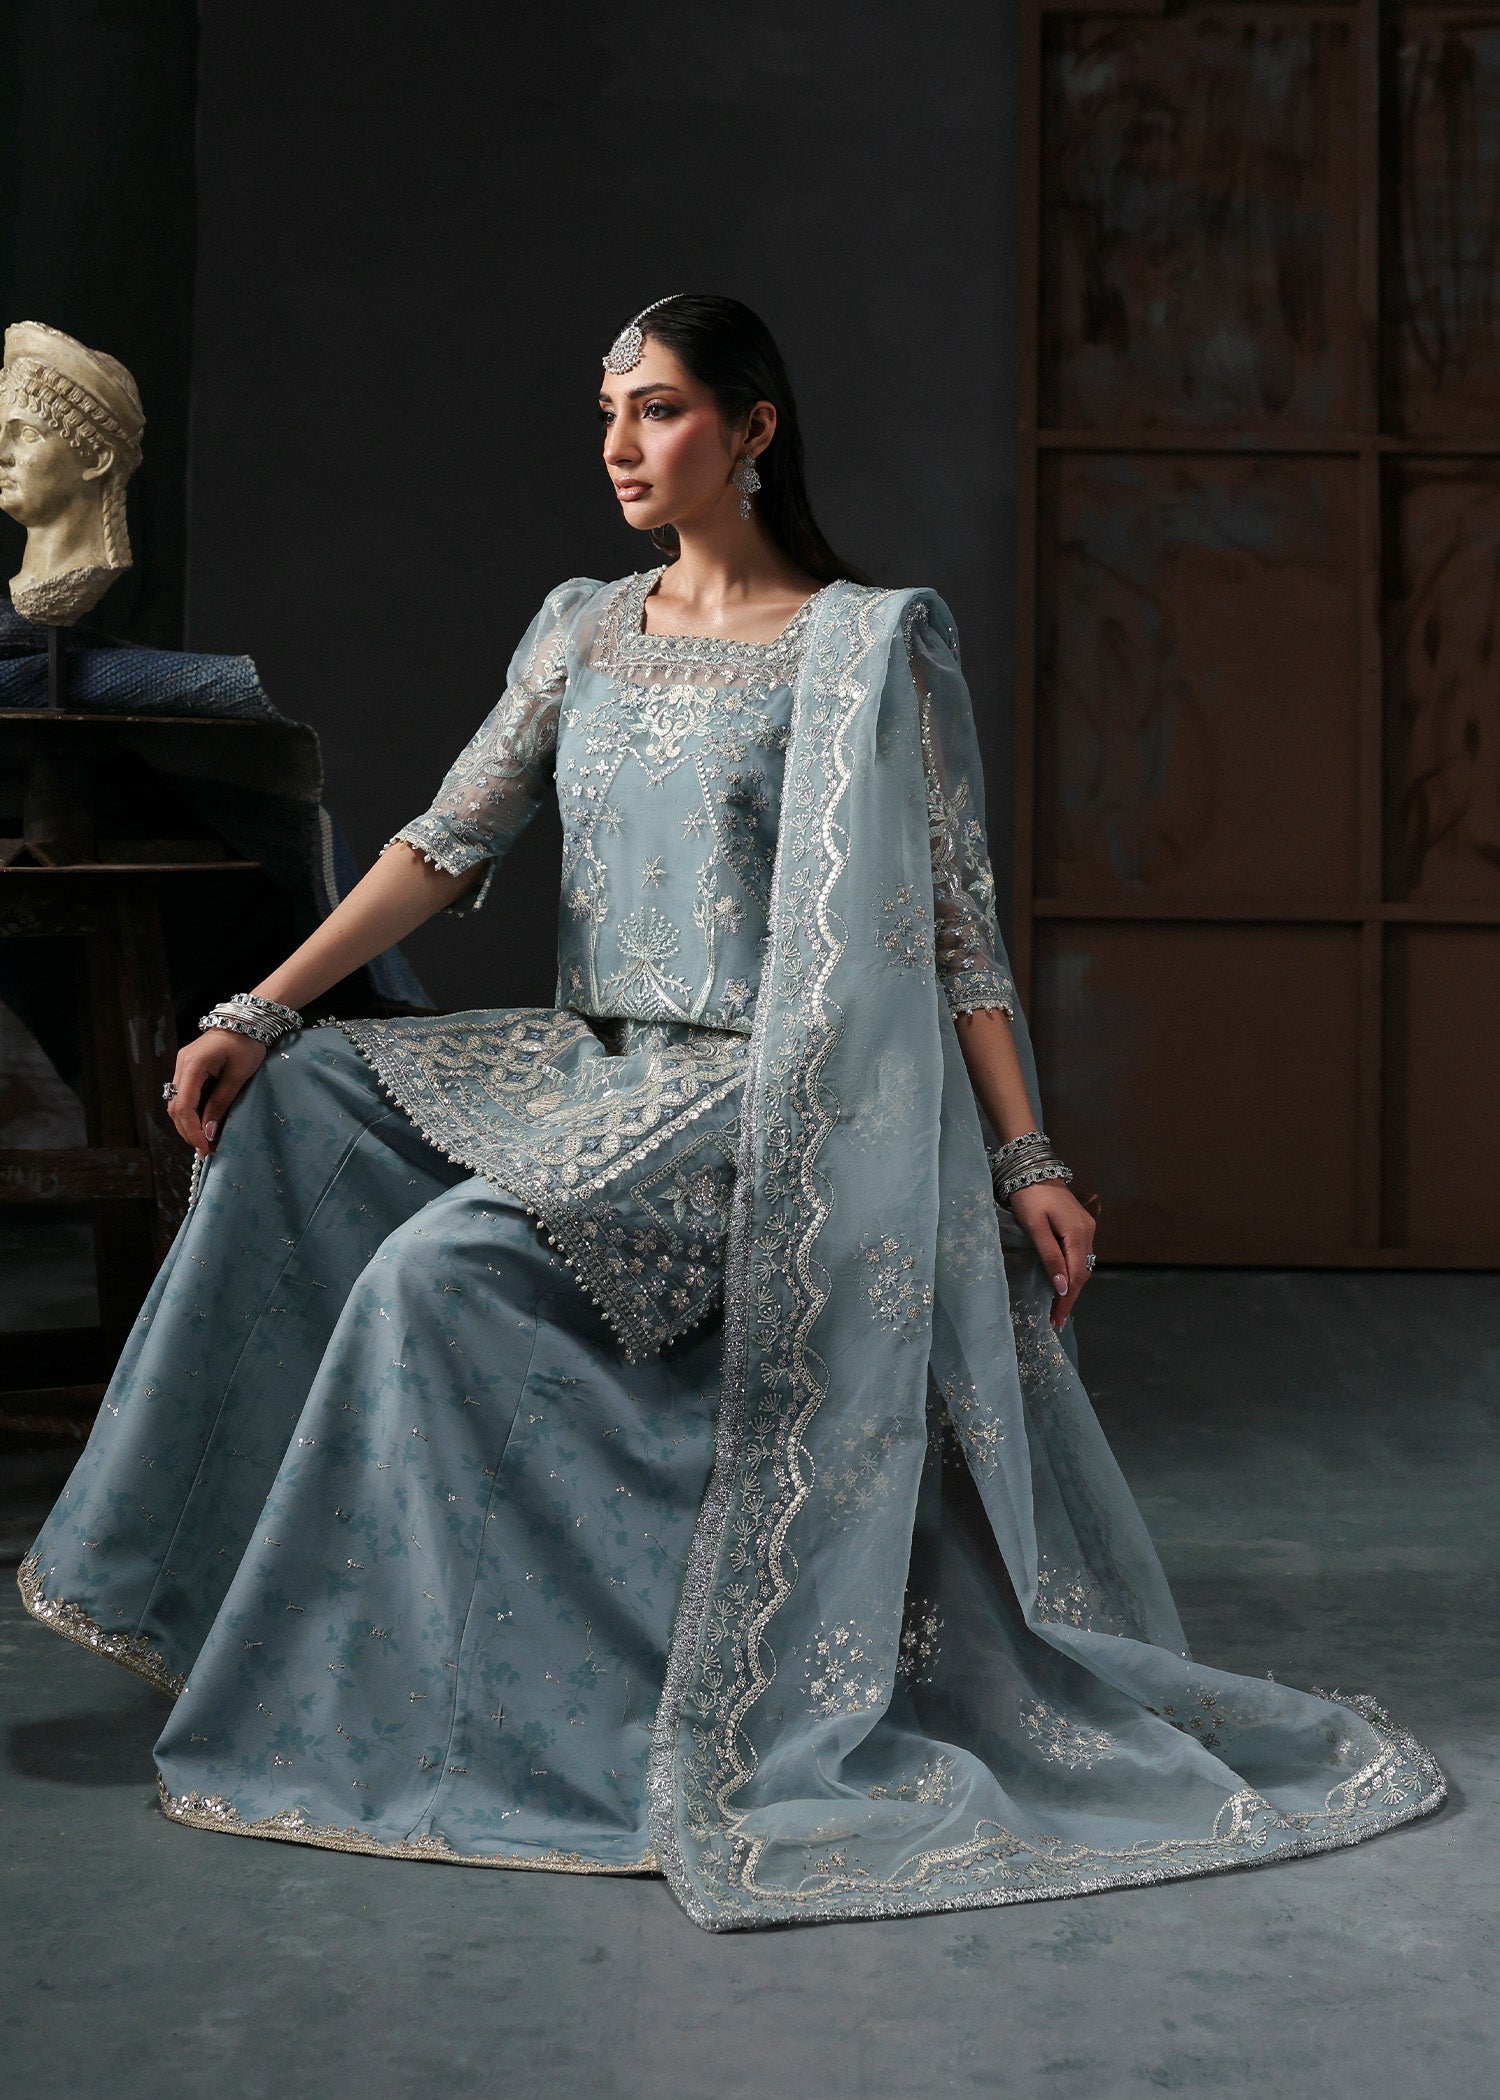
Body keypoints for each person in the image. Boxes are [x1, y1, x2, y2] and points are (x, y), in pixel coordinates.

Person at [20, 295, 1443, 1931]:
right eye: (609, 412)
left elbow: (955, 923)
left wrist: (1026, 1155)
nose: (622, 446)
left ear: (755, 429)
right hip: (594, 1064)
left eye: (663, 409)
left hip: (763, 1094)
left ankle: (428, 1706)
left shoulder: (868, 644)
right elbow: (446, 840)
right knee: (303, 1106)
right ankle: (194, 1597)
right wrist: (261, 1008)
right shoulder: (580, 627)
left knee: (433, 1275)